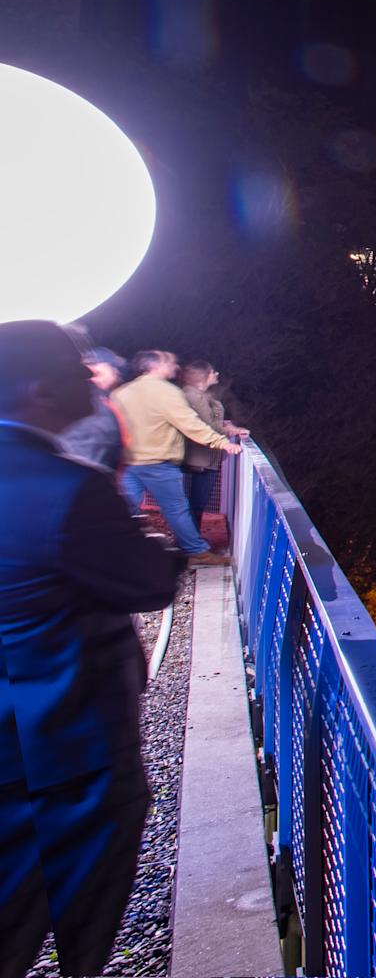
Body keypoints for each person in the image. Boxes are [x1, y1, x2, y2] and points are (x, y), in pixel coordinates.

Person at [0, 320, 186, 978]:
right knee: (73, 912)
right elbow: (149, 582)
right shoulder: (67, 486)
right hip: (67, 748)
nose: (92, 377)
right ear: (39, 390)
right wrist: (160, 544)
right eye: (75, 369)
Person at [112, 351, 240, 560]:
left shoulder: (121, 392)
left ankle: (115, 549)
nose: (175, 365)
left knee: (124, 507)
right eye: (169, 361)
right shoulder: (166, 392)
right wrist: (221, 442)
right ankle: (196, 551)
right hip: (157, 462)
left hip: (127, 463)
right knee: (176, 509)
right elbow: (190, 424)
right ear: (155, 365)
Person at [53, 348, 128, 475]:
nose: (117, 374)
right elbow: (85, 453)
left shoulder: (99, 399)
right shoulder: (90, 405)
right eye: (114, 369)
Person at [176, 360, 231, 527]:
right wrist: (230, 431)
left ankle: (191, 538)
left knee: (196, 503)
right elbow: (208, 426)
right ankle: (190, 539)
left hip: (203, 458)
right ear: (203, 376)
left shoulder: (202, 396)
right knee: (197, 504)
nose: (216, 374)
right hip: (200, 459)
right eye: (213, 372)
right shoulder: (194, 396)